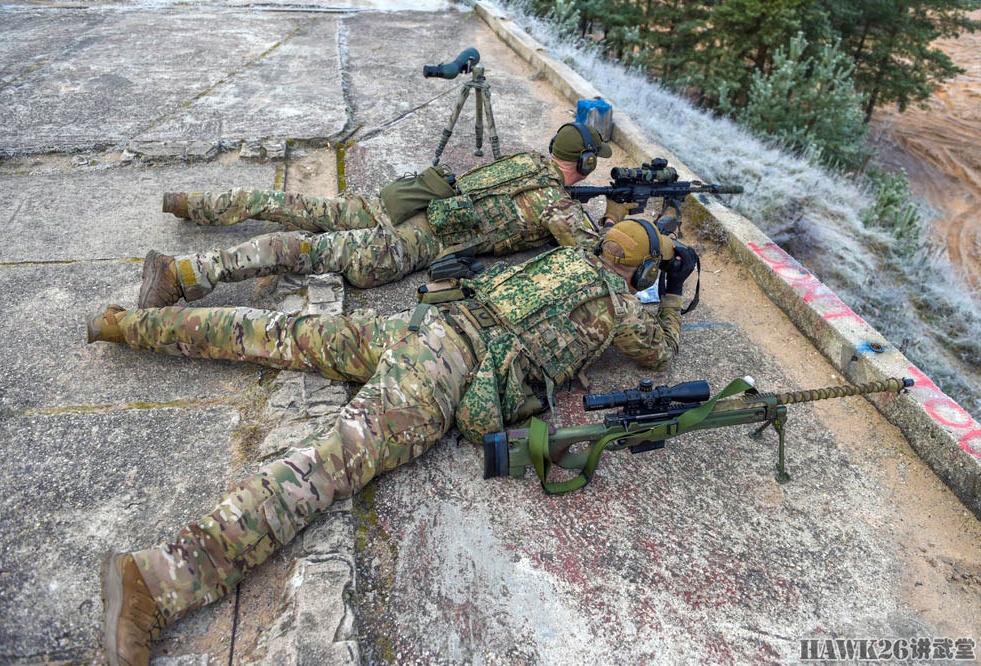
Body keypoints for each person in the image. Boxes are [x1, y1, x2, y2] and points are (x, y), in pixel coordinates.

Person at [89, 218, 695, 666]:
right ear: (636, 272)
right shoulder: (617, 303)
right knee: (326, 466)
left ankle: (129, 324)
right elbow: (661, 352)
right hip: (443, 370)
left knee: (280, 334)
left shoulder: (559, 258)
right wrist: (670, 297)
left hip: (423, 325)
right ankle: (156, 580)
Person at [138, 123, 639, 309]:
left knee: (293, 208)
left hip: (401, 200)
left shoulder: (527, 161)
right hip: (413, 240)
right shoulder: (556, 203)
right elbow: (601, 257)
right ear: (586, 164)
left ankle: (188, 202)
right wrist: (618, 217)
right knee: (305, 250)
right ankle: (183, 274)